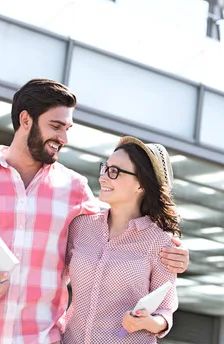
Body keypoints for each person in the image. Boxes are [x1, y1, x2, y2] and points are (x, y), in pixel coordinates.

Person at [0, 79, 189, 344]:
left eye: (67, 128)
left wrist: (173, 252)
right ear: (26, 120)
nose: (64, 138)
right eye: (56, 126)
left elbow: (117, 234)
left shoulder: (74, 188)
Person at [61, 136, 180, 343]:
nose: (104, 178)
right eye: (105, 168)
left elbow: (165, 311)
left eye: (114, 172)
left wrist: (145, 322)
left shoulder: (159, 243)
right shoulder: (80, 226)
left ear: (141, 184)